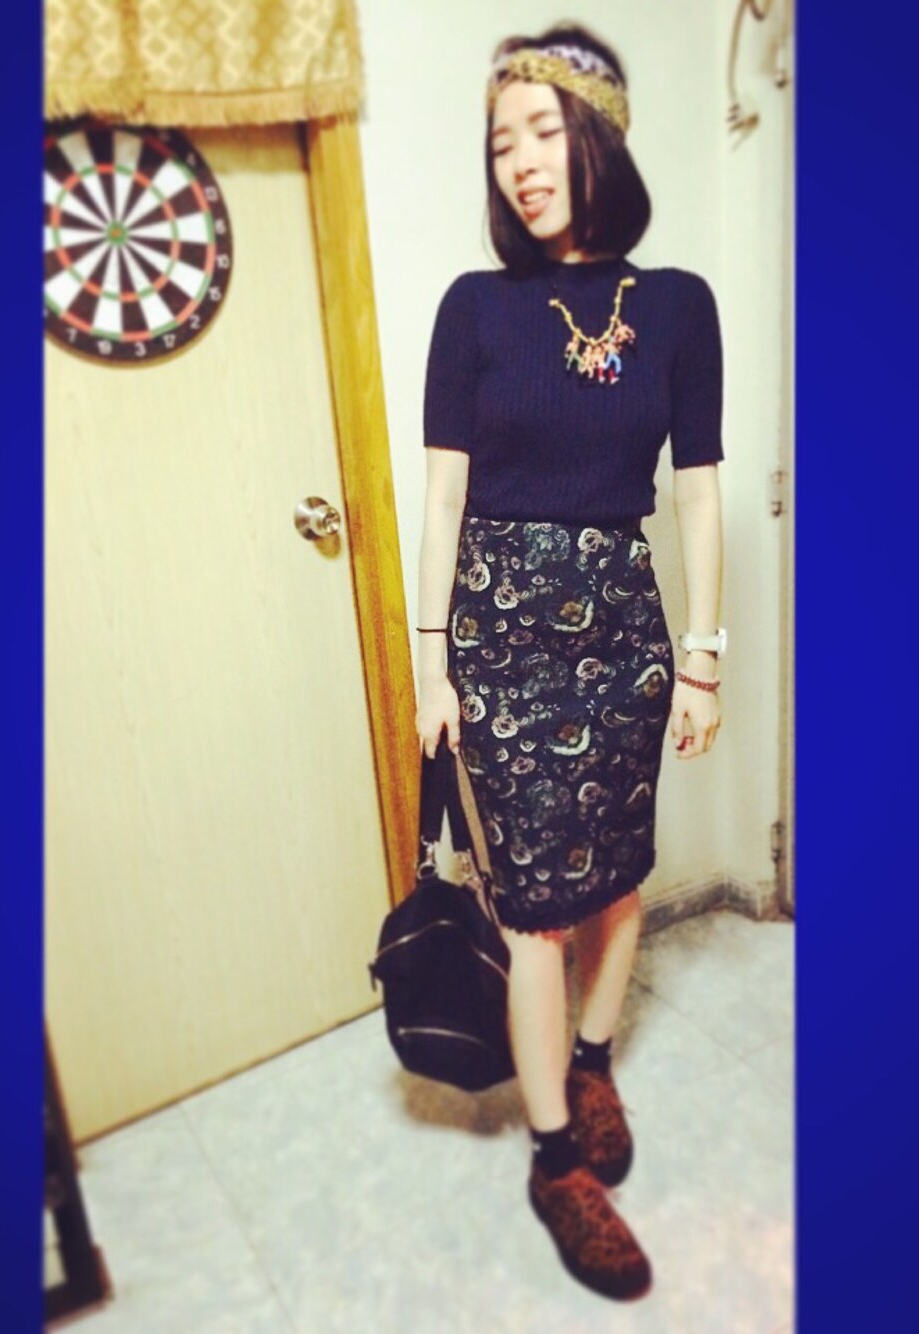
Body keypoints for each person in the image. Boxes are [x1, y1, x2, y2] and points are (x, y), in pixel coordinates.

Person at [414, 23, 725, 1303]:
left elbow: (696, 490)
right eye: (502, 143)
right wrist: (428, 659)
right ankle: (555, 1158)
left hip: (625, 634)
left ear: (599, 134)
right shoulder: (472, 308)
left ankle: (592, 1060)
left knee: (619, 876)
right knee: (537, 904)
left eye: (543, 131)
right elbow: (442, 498)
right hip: (498, 635)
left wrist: (702, 656)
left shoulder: (679, 305)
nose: (522, 163)